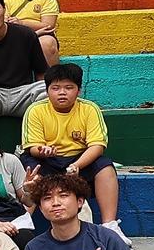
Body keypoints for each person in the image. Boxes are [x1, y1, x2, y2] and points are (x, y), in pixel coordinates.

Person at [21, 62, 123, 232]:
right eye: (55, 88)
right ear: (47, 90)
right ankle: (23, 222)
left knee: (105, 167)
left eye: (68, 87)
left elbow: (97, 145)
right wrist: (42, 151)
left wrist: (77, 165)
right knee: (33, 170)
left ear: (79, 90)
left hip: (80, 159)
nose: (62, 92)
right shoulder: (35, 110)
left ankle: (110, 226)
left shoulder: (89, 109)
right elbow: (32, 147)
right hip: (47, 160)